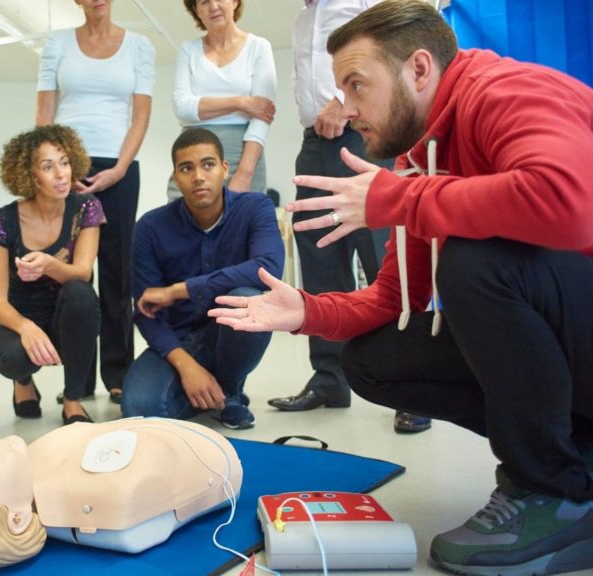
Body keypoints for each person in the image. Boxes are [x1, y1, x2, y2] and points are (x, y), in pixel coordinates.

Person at [209, 1, 593, 574]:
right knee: (375, 359)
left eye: (357, 86)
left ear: (418, 68)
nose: (347, 108)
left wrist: (401, 198)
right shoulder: (420, 157)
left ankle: (550, 493)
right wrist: (304, 310)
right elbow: (392, 301)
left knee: (477, 259)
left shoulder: (507, 91)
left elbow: (572, 206)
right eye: (340, 90)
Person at [272, 0, 430, 434]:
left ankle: (412, 388)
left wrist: (345, 100)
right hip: (314, 144)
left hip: (363, 136)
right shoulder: (302, 17)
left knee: (385, 259)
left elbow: (392, 56)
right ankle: (329, 379)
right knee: (319, 258)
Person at [122, 128, 283, 430]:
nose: (198, 176)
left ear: (224, 169)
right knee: (139, 409)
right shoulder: (150, 228)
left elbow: (269, 268)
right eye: (187, 168)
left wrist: (180, 291)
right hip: (178, 340)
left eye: (207, 165)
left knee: (249, 297)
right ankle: (211, 391)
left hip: (229, 332)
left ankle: (230, 388)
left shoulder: (255, 208)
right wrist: (186, 366)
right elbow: (145, 312)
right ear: (176, 176)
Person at [35, 0, 155, 405]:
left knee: (118, 275)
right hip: (67, 168)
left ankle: (119, 373)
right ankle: (78, 379)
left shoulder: (139, 46)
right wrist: (51, 168)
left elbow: (140, 114)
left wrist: (120, 168)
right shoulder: (56, 44)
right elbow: (45, 112)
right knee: (73, 274)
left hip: (118, 168)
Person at [0, 125, 104, 426]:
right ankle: (23, 382)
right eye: (48, 167)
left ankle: (73, 400)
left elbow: (82, 273)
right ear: (29, 174)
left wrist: (49, 264)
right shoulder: (4, 221)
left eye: (64, 162)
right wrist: (25, 328)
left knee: (81, 293)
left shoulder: (86, 208)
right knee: (12, 358)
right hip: (19, 316)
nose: (61, 174)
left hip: (66, 316)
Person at [169, 0, 277, 198]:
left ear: (235, 2)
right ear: (196, 10)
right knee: (181, 224)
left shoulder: (259, 47)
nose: (213, 6)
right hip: (193, 151)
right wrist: (241, 102)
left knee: (244, 224)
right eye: (204, 2)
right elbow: (182, 107)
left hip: (245, 153)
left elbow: (263, 114)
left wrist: (245, 173)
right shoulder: (188, 50)